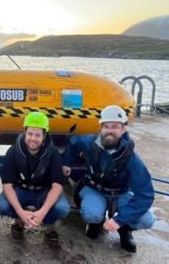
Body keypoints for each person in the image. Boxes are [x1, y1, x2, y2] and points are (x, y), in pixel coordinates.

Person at [62, 105, 155, 253]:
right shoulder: (89, 142)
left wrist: (120, 220)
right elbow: (74, 142)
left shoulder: (132, 158)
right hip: (94, 189)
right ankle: (95, 223)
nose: (110, 130)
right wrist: (66, 161)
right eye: (106, 126)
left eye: (115, 127)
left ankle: (125, 229)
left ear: (123, 129)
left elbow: (146, 194)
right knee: (92, 213)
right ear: (101, 127)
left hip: (121, 193)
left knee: (147, 220)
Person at [0, 112, 70, 241]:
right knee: (1, 205)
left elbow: (57, 185)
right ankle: (20, 221)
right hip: (21, 189)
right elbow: (7, 184)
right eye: (30, 134)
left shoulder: (53, 153)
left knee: (63, 208)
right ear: (24, 133)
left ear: (44, 136)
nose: (33, 138)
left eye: (37, 135)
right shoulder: (13, 151)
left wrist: (42, 213)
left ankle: (49, 223)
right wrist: (20, 212)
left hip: (43, 191)